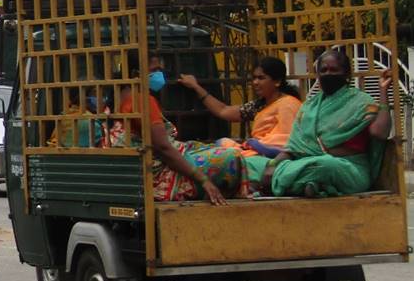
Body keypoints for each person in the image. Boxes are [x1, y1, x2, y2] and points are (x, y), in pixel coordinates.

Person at [256, 51, 393, 198]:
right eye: (323, 70)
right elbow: (293, 148)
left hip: (349, 169)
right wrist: (271, 165)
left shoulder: (361, 102)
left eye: (334, 70)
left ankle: (281, 183)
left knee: (325, 164)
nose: (328, 74)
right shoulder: (309, 107)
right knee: (260, 164)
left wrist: (383, 92)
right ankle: (310, 185)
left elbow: (379, 133)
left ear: (346, 74)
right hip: (306, 163)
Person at [115, 55, 233, 204]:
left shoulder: (118, 99)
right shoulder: (142, 100)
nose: (159, 75)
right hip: (156, 174)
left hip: (135, 173)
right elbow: (164, 148)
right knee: (231, 158)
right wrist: (203, 180)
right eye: (154, 70)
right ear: (135, 74)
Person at [178, 59, 302, 194]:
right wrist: (196, 87)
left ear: (277, 81)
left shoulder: (289, 104)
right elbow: (223, 111)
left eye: (261, 78)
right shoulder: (259, 105)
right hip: (253, 152)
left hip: (270, 159)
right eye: (254, 78)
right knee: (211, 146)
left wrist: (254, 145)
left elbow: (285, 142)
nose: (255, 83)